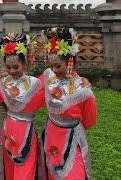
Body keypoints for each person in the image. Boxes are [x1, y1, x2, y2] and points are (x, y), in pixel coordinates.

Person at [39, 27, 97, 180]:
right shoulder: (48, 77)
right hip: (51, 133)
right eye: (51, 65)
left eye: (58, 66)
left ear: (70, 62)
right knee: (51, 172)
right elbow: (31, 90)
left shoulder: (83, 90)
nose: (54, 70)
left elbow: (89, 120)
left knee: (74, 174)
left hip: (72, 137)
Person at [0, 33, 45, 180]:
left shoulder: (35, 83)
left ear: (24, 65)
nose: (12, 71)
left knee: (25, 168)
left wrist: (78, 78)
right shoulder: (2, 81)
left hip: (26, 129)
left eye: (16, 67)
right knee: (9, 168)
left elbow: (55, 81)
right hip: (8, 128)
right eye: (8, 67)